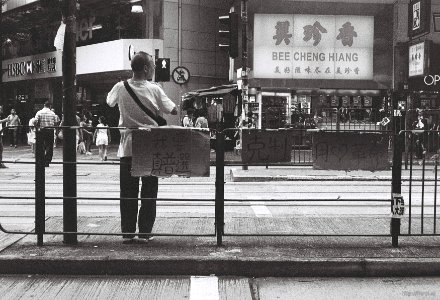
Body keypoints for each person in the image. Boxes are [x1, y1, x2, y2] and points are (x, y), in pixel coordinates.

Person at [106, 51, 177, 244]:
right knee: (149, 191)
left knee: (127, 192)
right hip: (150, 147)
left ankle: (128, 233)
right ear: (146, 68)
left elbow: (109, 102)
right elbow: (173, 109)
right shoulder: (154, 89)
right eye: (152, 65)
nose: (154, 67)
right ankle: (145, 232)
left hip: (128, 147)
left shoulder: (120, 87)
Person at [34, 101, 60, 167]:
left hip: (42, 130)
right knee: (49, 146)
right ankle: (47, 161)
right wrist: (56, 131)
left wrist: (37, 127)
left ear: (44, 105)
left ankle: (41, 160)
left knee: (41, 145)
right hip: (50, 130)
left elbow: (35, 121)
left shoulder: (39, 112)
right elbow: (56, 123)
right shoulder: (53, 113)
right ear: (50, 106)